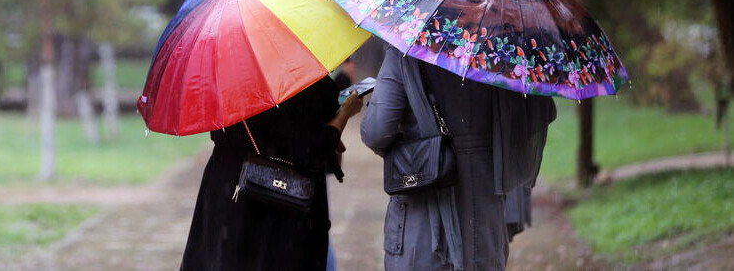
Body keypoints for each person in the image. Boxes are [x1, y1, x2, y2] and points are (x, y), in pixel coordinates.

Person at [360, 46, 557, 271]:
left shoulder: (407, 48)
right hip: (484, 213)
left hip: (422, 218)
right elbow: (534, 117)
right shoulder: (504, 50)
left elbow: (377, 131)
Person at [180, 76, 364, 271]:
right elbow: (314, 148)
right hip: (284, 203)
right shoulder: (305, 79)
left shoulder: (225, 75)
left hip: (228, 186)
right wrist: (344, 113)